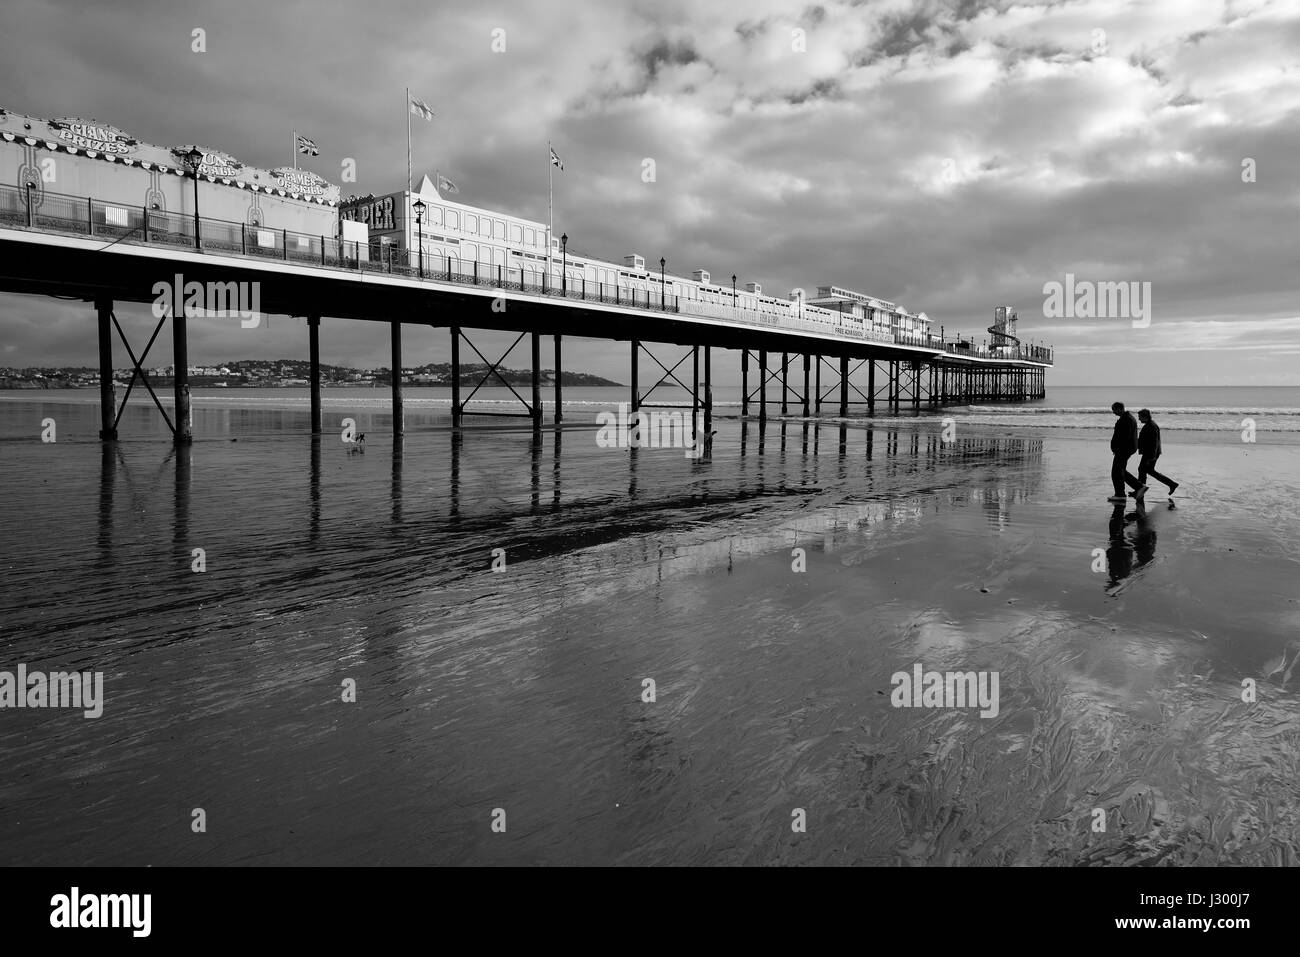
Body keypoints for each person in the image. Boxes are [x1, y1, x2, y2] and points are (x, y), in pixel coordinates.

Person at [1133, 409, 1178, 497]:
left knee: (1142, 470)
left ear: (1145, 416)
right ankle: (1172, 484)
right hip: (1151, 452)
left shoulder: (1151, 426)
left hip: (1150, 453)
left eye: (1140, 417)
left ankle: (1140, 490)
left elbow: (1154, 443)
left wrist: (1152, 457)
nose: (1139, 419)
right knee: (1148, 470)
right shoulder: (1149, 424)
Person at [1108, 401, 1140, 503]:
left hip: (1123, 450)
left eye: (1114, 410)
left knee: (1116, 472)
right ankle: (1139, 486)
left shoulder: (1126, 420)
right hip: (1126, 449)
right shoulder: (1128, 418)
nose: (1114, 413)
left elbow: (1124, 438)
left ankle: (1120, 495)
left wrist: (1118, 449)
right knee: (1120, 470)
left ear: (1119, 408)